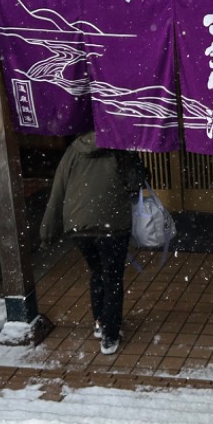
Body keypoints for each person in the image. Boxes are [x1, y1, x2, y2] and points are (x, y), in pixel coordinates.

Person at [40, 131, 146, 354]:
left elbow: (58, 189)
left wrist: (47, 232)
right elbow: (136, 181)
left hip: (79, 226)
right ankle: (110, 335)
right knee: (113, 277)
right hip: (112, 224)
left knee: (97, 272)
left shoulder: (74, 150)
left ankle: (100, 323)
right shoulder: (119, 147)